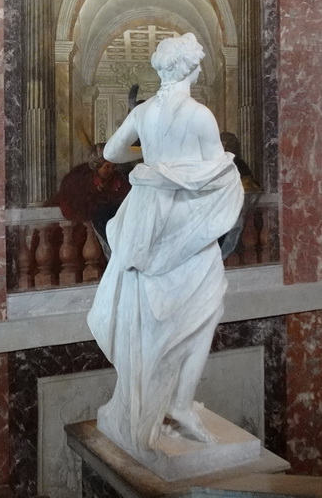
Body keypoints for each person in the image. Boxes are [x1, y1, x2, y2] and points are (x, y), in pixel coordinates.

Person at [87, 33, 244, 458]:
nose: (199, 70)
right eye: (198, 65)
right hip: (182, 221)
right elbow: (214, 171)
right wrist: (199, 178)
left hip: (145, 215)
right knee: (207, 305)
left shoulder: (144, 111)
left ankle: (157, 399)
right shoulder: (198, 116)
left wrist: (152, 166)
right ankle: (177, 402)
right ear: (190, 69)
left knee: (149, 313)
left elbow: (114, 152)